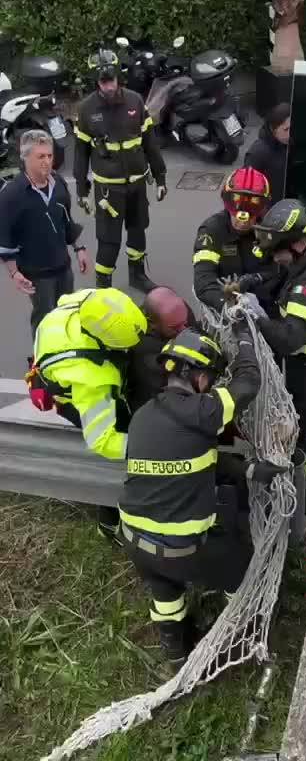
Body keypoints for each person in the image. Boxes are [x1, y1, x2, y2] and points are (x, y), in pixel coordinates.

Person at [118, 323, 286, 666]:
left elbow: (193, 460)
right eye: (209, 376)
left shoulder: (143, 417)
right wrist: (243, 338)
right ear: (195, 375)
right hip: (183, 549)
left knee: (165, 591)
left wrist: (249, 470)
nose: (211, 384)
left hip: (134, 540)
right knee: (239, 564)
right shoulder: (203, 411)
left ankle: (174, 652)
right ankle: (245, 635)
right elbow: (248, 383)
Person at [30, 287, 148, 540]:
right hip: (71, 397)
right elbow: (102, 441)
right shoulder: (92, 379)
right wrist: (150, 448)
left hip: (59, 352)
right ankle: (108, 523)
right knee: (126, 435)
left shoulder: (93, 303)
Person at [249, 199, 306, 515]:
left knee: (299, 430)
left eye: (279, 250)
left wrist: (257, 318)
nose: (275, 257)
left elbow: (289, 340)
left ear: (298, 243)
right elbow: (282, 276)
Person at [73, 48, 167, 294]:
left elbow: (150, 143)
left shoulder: (135, 101)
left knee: (138, 232)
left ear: (118, 77)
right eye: (103, 82)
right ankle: (103, 288)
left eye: (111, 80)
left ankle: (137, 275)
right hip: (108, 191)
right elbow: (80, 154)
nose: (108, 86)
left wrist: (160, 177)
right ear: (97, 81)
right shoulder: (86, 110)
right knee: (109, 241)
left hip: (136, 184)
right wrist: (82, 190)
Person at [0, 130, 89, 339]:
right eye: (41, 156)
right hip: (37, 275)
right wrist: (14, 273)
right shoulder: (11, 196)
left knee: (68, 314)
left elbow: (66, 220)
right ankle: (41, 363)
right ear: (25, 158)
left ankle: (68, 352)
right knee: (44, 321)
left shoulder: (58, 184)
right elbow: (5, 239)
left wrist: (80, 248)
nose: (47, 162)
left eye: (49, 156)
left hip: (63, 267)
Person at [193, 167, 283, 316]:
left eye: (252, 210)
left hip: (266, 309)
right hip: (225, 311)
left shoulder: (271, 231)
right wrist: (230, 307)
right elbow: (203, 281)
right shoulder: (212, 231)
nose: (242, 220)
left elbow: (282, 271)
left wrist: (256, 279)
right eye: (236, 210)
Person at [127, 286, 197, 413]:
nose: (183, 330)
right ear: (153, 324)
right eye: (175, 328)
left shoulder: (178, 313)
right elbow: (165, 390)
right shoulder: (144, 349)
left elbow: (196, 332)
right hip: (150, 400)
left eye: (184, 323)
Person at [244, 103, 290, 205]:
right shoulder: (257, 153)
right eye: (286, 129)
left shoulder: (289, 143)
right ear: (273, 129)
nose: (290, 134)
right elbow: (247, 188)